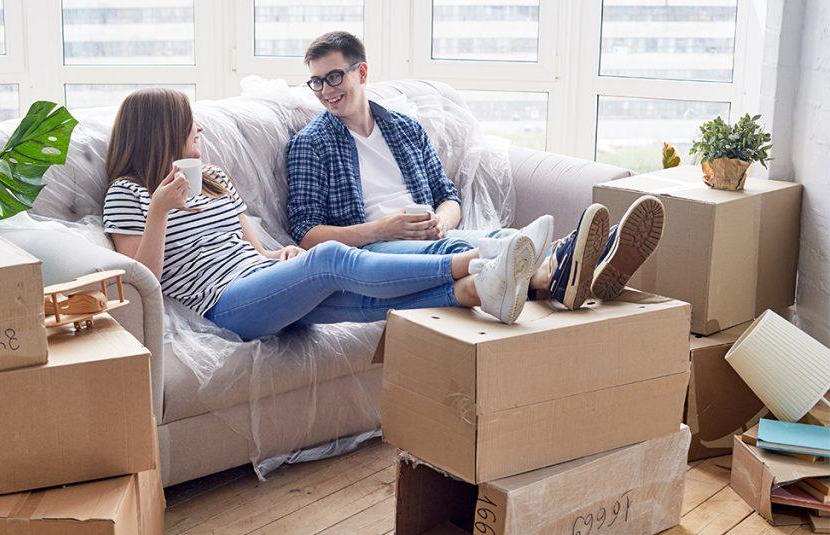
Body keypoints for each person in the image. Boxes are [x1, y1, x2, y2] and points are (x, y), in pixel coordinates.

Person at [102, 87, 540, 340]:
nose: (199, 128)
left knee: (366, 301)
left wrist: (284, 257)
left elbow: (254, 250)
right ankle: (480, 261)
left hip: (261, 279)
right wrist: (158, 210)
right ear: (161, 132)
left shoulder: (214, 177)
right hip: (225, 306)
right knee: (331, 257)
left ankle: (481, 289)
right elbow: (145, 285)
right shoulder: (128, 194)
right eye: (188, 122)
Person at [286, 30, 665, 311]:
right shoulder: (311, 144)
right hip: (376, 251)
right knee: (455, 250)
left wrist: (442, 221)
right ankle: (565, 265)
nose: (325, 90)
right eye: (316, 81)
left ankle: (568, 270)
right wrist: (380, 229)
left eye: (334, 76)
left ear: (362, 73)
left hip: (431, 233)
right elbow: (305, 234)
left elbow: (447, 196)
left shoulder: (404, 129)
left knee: (496, 235)